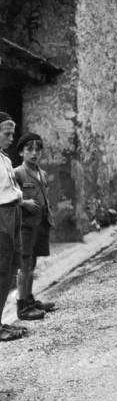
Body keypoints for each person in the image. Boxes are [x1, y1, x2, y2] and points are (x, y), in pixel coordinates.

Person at [14, 133, 56, 320]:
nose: (34, 153)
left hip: (40, 224)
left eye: (38, 149)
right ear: (21, 152)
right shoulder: (17, 173)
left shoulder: (42, 173)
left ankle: (30, 299)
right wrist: (24, 203)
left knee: (33, 262)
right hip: (25, 226)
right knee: (24, 266)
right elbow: (8, 196)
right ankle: (22, 307)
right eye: (29, 149)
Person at [0, 113, 27, 342]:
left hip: (13, 213)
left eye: (12, 133)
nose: (11, 138)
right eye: (6, 134)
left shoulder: (6, 159)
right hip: (2, 216)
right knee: (0, 271)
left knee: (10, 270)